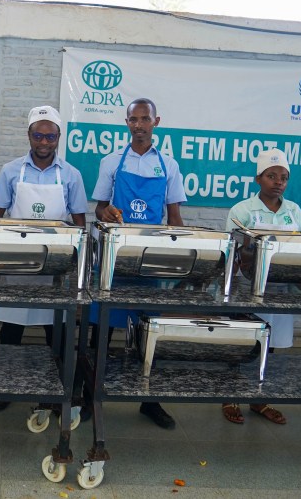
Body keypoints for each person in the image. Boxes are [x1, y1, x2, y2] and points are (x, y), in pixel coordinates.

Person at [91, 97, 186, 430]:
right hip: (115, 258)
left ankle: (149, 400)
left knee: (149, 331)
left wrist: (180, 259)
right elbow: (99, 209)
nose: (140, 125)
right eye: (134, 119)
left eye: (146, 119)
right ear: (127, 122)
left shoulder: (169, 165)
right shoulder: (111, 162)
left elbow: (174, 218)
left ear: (156, 122)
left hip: (151, 261)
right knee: (101, 329)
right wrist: (107, 214)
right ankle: (92, 394)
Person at [0, 105, 88, 413]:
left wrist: (74, 265)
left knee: (53, 333)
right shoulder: (10, 170)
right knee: (10, 331)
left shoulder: (71, 175)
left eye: (51, 136)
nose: (44, 142)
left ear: (58, 137)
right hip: (15, 263)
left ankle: (51, 393)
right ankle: (7, 388)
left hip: (54, 269)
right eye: (38, 135)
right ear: (28, 136)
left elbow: (80, 224)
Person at [221, 148, 301, 425]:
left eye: (283, 177)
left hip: (281, 290)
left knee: (269, 346)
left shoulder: (294, 211)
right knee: (242, 342)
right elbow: (232, 251)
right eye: (271, 176)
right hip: (247, 288)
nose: (278, 182)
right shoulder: (242, 210)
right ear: (258, 178)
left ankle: (259, 399)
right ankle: (230, 396)